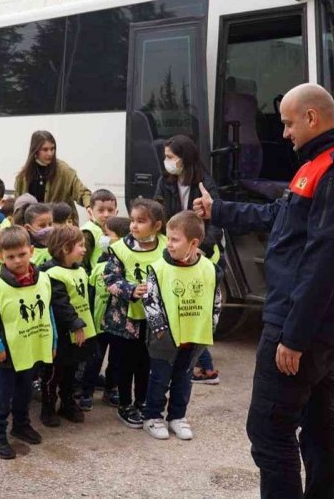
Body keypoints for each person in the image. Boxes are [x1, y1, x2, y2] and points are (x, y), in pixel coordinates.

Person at [194, 83, 334, 498]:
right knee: (316, 423)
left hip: (299, 327)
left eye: (289, 123)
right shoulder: (318, 165)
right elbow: (278, 216)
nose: (284, 133)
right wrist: (217, 211)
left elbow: (323, 266)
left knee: (269, 430)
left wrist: (293, 338)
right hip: (307, 324)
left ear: (312, 118)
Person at [141, 211, 218, 441]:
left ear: (193, 243)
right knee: (159, 378)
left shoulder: (209, 268)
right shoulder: (158, 268)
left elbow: (216, 300)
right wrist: (160, 330)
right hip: (164, 339)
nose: (169, 244)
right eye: (168, 238)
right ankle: (152, 417)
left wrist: (211, 325)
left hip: (194, 337)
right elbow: (150, 301)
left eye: (175, 239)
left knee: (184, 378)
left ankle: (177, 416)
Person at [154, 134, 225, 385]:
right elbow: (159, 213)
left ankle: (202, 367)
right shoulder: (166, 181)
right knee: (183, 308)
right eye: (166, 157)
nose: (167, 162)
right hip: (176, 250)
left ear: (185, 158)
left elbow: (215, 221)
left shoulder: (204, 183)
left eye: (171, 157)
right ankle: (203, 368)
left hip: (201, 251)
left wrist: (200, 248)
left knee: (195, 308)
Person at [0, 227, 57, 460]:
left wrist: (52, 340)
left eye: (22, 254)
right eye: (11, 256)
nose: (17, 260)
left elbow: (48, 311)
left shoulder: (43, 279)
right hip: (7, 353)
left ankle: (21, 424)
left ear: (32, 251)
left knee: (25, 389)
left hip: (32, 346)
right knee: (1, 395)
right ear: (1, 256)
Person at [102, 198, 167, 428]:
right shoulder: (120, 249)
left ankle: (142, 401)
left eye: (141, 221)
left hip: (153, 319)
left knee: (145, 362)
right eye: (132, 220)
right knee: (125, 363)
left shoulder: (166, 247)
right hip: (126, 320)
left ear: (157, 226)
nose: (134, 226)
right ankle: (125, 404)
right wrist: (131, 289)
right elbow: (109, 279)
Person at [40, 226, 93, 427]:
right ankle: (48, 407)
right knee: (53, 373)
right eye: (80, 245)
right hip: (60, 335)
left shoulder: (79, 269)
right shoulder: (51, 273)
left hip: (78, 334)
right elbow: (60, 303)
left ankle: (67, 402)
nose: (84, 249)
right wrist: (75, 324)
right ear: (65, 249)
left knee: (71, 371)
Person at [81, 213, 128, 409]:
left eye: (108, 234)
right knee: (94, 359)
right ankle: (86, 392)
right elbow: (90, 294)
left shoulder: (127, 264)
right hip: (98, 322)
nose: (103, 239)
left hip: (120, 324)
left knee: (117, 361)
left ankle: (111, 390)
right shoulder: (100, 263)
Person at [13, 130, 91, 212]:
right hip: (32, 222)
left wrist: (89, 206)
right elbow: (17, 204)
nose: (50, 153)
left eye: (52, 149)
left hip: (60, 223)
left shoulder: (64, 170)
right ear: (35, 150)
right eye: (45, 150)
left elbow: (82, 192)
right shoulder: (23, 176)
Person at [22, 202, 54, 267]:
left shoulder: (57, 246)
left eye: (50, 224)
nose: (48, 228)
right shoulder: (25, 250)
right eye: (42, 225)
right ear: (28, 228)